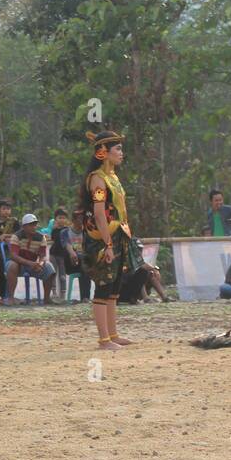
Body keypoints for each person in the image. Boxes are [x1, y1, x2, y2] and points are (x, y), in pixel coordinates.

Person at [79, 130, 142, 349]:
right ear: (104, 153)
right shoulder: (97, 179)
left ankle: (113, 335)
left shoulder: (112, 177)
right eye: (118, 149)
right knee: (103, 286)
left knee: (115, 288)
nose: (121, 153)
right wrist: (107, 244)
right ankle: (104, 339)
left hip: (118, 234)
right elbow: (98, 213)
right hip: (102, 238)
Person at [6, 212, 57, 304]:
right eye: (31, 225)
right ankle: (11, 297)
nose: (34, 227)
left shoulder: (41, 237)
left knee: (49, 267)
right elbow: (13, 256)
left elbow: (42, 256)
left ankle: (46, 298)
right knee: (12, 265)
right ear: (24, 226)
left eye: (35, 224)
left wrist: (40, 264)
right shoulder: (16, 236)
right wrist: (30, 263)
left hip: (33, 265)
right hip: (18, 265)